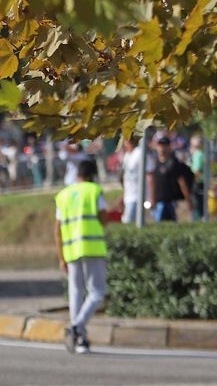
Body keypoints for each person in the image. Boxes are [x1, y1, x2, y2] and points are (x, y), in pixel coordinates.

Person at [55, 158, 108, 355]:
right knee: (97, 292)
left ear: (77, 174)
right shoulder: (93, 191)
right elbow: (103, 218)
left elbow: (57, 230)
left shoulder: (64, 195)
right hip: (92, 247)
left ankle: (81, 340)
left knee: (76, 293)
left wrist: (61, 257)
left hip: (70, 250)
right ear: (93, 175)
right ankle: (77, 326)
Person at [145, 135, 193, 222]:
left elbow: (181, 182)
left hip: (172, 202)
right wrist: (152, 198)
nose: (162, 148)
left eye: (165, 146)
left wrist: (188, 199)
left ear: (169, 147)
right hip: (159, 202)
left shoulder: (174, 163)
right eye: (160, 146)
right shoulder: (155, 163)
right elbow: (152, 182)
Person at [118, 134, 151, 224]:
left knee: (127, 221)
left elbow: (149, 175)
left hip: (137, 196)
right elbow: (126, 178)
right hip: (128, 196)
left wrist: (151, 196)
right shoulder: (127, 155)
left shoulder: (139, 153)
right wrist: (123, 196)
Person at [188, 134, 209, 219]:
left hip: (198, 182)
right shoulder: (199, 154)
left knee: (198, 203)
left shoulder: (198, 154)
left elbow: (197, 171)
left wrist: (191, 181)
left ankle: (200, 218)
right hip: (200, 182)